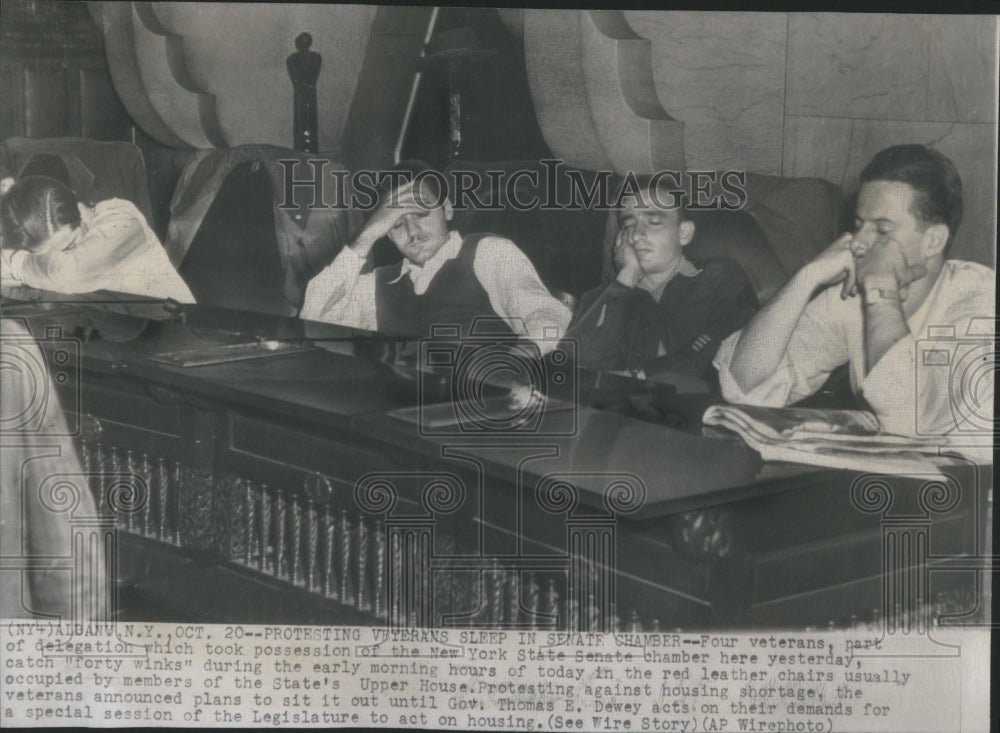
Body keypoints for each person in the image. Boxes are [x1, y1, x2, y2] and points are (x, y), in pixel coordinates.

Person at [715, 144, 994, 452]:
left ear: (933, 241)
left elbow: (909, 422)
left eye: (882, 231)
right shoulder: (855, 298)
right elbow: (742, 383)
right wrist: (808, 277)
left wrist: (882, 291)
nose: (857, 243)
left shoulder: (980, 305)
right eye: (859, 226)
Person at [300, 162, 572, 351]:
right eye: (396, 223)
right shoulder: (379, 284)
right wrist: (366, 236)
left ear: (447, 210)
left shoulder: (488, 253)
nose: (413, 231)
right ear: (387, 233)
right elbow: (311, 320)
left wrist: (522, 356)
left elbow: (546, 314)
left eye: (421, 213)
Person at [566, 175, 759, 385]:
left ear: (684, 233)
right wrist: (626, 277)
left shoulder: (719, 278)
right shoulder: (602, 298)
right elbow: (577, 366)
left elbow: (730, 351)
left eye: (654, 222)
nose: (636, 235)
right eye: (628, 225)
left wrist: (640, 375)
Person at [0, 175, 194, 303]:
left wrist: (16, 260)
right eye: (46, 254)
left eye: (69, 246)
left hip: (185, 339)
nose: (56, 258)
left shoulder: (123, 223)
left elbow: (69, 273)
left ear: (79, 209)